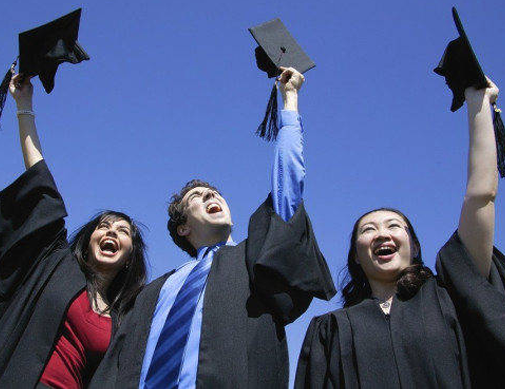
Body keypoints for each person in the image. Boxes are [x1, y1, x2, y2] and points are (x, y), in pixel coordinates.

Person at [90, 67, 336, 388]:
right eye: (197, 196)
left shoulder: (253, 261)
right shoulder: (154, 292)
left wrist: (289, 101)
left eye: (215, 193)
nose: (211, 195)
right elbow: (117, 364)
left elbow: (287, 191)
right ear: (182, 228)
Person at [295, 78, 505, 388]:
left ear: (414, 246)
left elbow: (481, 196)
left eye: (394, 226)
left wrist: (478, 104)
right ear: (356, 255)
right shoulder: (332, 331)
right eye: (368, 230)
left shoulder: (451, 294)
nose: (382, 234)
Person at [0, 72, 148, 389]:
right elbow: (41, 183)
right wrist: (24, 106)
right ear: (89, 238)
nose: (111, 232)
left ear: (129, 257)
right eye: (104, 226)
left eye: (123, 231)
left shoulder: (124, 317)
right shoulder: (57, 266)